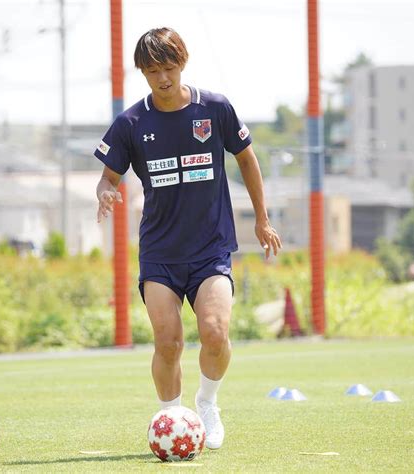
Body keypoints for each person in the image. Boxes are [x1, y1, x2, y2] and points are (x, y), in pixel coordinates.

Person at [94, 27, 282, 450]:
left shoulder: (214, 108)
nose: (163, 77)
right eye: (153, 70)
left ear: (183, 63)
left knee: (215, 331)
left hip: (210, 246)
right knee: (168, 340)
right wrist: (107, 193)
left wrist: (262, 219)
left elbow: (247, 160)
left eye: (169, 67)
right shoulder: (131, 123)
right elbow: (108, 177)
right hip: (160, 252)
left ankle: (207, 403)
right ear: (142, 72)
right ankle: (172, 418)